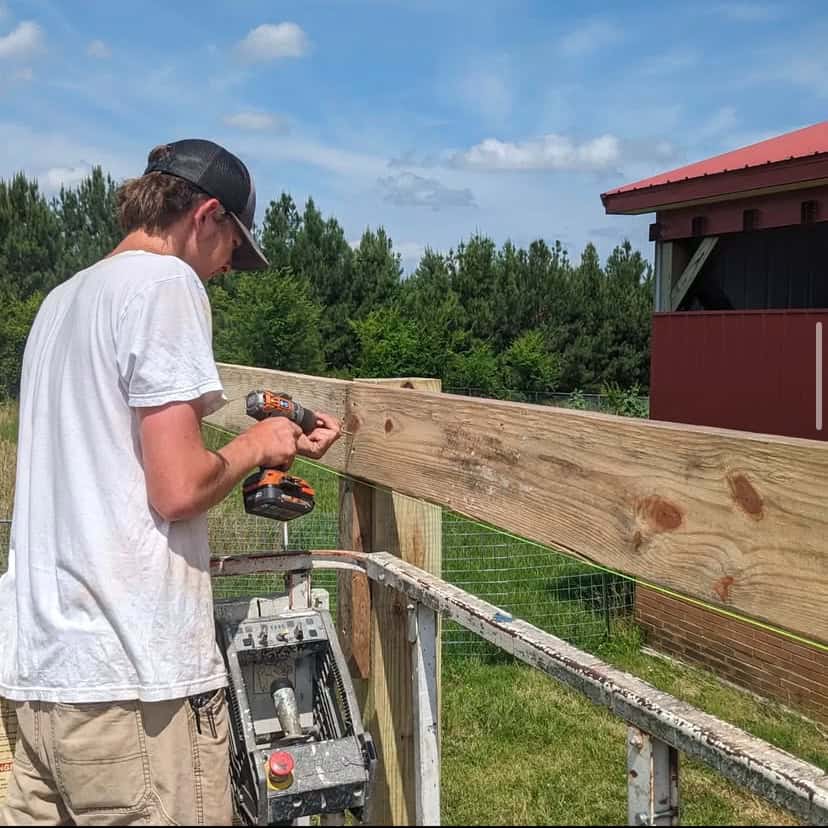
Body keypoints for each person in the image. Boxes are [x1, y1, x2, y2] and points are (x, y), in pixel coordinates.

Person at [0, 138, 341, 825]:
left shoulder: (61, 302)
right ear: (206, 214)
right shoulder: (166, 285)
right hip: (131, 689)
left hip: (38, 682)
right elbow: (177, 488)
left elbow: (117, 460)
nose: (225, 272)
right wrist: (257, 444)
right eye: (232, 251)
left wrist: (271, 437)